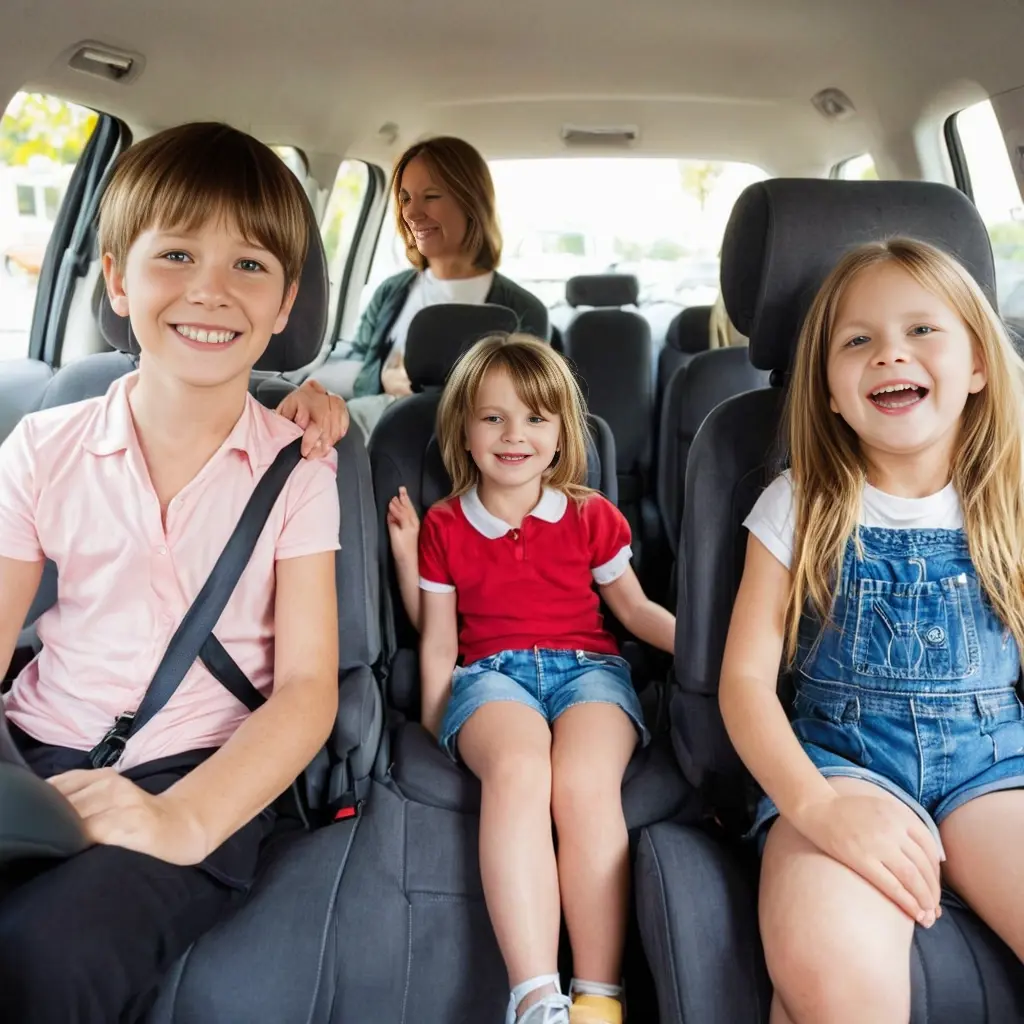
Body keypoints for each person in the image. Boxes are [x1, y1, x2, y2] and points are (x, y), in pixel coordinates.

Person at [0, 122, 346, 1024]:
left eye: (249, 265)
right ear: (118, 279)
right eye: (178, 254)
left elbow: (307, 688)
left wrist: (184, 819)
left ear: (286, 304)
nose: (209, 290)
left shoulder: (301, 471)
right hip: (31, 746)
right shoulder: (40, 447)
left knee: (45, 959)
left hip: (199, 766)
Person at [719, 238, 1024, 1023]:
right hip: (840, 765)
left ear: (978, 364)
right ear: (827, 390)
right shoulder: (798, 503)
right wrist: (817, 809)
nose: (890, 352)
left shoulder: (1011, 501)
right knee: (831, 979)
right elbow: (745, 683)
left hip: (995, 770)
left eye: (922, 329)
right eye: (857, 340)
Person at [386, 334, 675, 1024]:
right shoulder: (446, 525)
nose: (514, 435)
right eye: (493, 418)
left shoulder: (590, 515)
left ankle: (599, 997)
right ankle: (538, 999)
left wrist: (717, 654)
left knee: (582, 781)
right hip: (491, 677)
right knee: (518, 768)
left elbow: (634, 610)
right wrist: (436, 724)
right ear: (463, 430)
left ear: (562, 434)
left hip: (589, 673)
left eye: (535, 419)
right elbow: (439, 637)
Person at [344, 136, 548, 439]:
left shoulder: (522, 310)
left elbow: (525, 408)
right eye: (405, 199)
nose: (411, 213)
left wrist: (423, 394)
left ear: (471, 202)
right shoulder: (391, 292)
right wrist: (382, 378)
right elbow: (357, 361)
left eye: (431, 196)